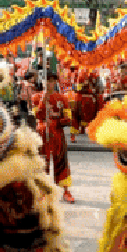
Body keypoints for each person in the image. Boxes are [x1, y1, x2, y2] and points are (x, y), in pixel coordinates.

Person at [32, 73, 75, 203]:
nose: (49, 83)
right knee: (42, 162)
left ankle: (66, 191)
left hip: (57, 134)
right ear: (43, 81)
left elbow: (68, 119)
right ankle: (41, 191)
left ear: (55, 82)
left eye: (52, 81)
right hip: (42, 134)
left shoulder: (62, 98)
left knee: (61, 162)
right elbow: (37, 116)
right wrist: (43, 101)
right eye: (47, 80)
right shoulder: (36, 97)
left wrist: (57, 122)